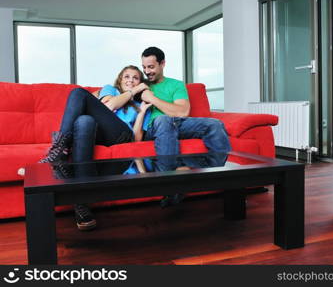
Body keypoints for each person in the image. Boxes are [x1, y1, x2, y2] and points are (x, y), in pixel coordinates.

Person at [37, 65, 152, 231]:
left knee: (78, 93)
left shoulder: (140, 104)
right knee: (85, 121)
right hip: (101, 132)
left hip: (121, 135)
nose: (131, 80)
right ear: (120, 79)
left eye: (135, 78)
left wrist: (141, 113)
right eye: (127, 76)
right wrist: (132, 92)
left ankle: (59, 152)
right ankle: (82, 204)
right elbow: (108, 107)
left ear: (140, 82)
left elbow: (136, 138)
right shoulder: (110, 90)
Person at [140, 47, 231, 207]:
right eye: (144, 67)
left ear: (162, 64)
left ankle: (216, 176)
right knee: (163, 120)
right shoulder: (141, 85)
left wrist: (152, 99)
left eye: (151, 67)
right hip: (155, 126)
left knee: (215, 124)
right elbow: (113, 92)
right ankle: (171, 188)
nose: (147, 71)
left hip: (179, 123)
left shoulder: (176, 85)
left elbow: (182, 111)